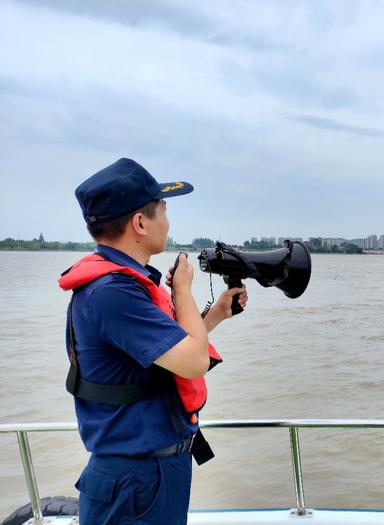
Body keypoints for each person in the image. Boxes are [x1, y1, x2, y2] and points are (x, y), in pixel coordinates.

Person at [57, 158, 247, 524]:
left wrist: (216, 315)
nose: (169, 222)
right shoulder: (114, 293)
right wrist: (183, 289)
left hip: (149, 473)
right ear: (140, 223)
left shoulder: (124, 285)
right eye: (163, 210)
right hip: (135, 482)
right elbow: (193, 361)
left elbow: (169, 355)